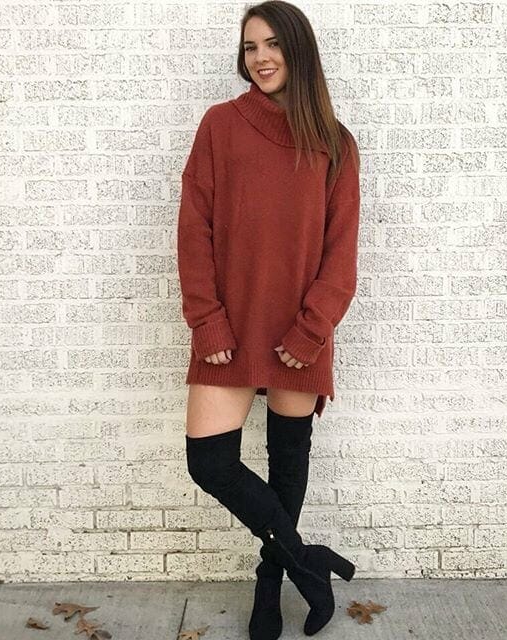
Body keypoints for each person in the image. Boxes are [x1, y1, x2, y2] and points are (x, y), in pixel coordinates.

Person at [176, 1, 361, 638]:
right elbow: (194, 229)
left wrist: (311, 331)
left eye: (273, 43)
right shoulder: (220, 125)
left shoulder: (335, 143)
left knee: (287, 464)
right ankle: (310, 565)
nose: (260, 57)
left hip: (300, 331)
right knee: (210, 463)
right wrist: (207, 319)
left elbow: (341, 255)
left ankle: (270, 582)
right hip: (228, 326)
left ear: (298, 50)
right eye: (250, 46)